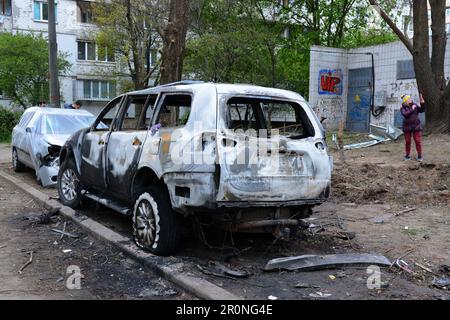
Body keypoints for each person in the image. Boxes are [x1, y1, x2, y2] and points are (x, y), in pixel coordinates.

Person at [400, 93, 425, 162]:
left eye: (410, 98)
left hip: (416, 126)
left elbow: (422, 110)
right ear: (405, 101)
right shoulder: (402, 108)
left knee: (417, 141)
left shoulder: (415, 105)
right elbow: (405, 114)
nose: (411, 99)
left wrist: (422, 102)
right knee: (407, 142)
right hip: (407, 127)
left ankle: (419, 156)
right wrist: (412, 109)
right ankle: (407, 156)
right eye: (409, 99)